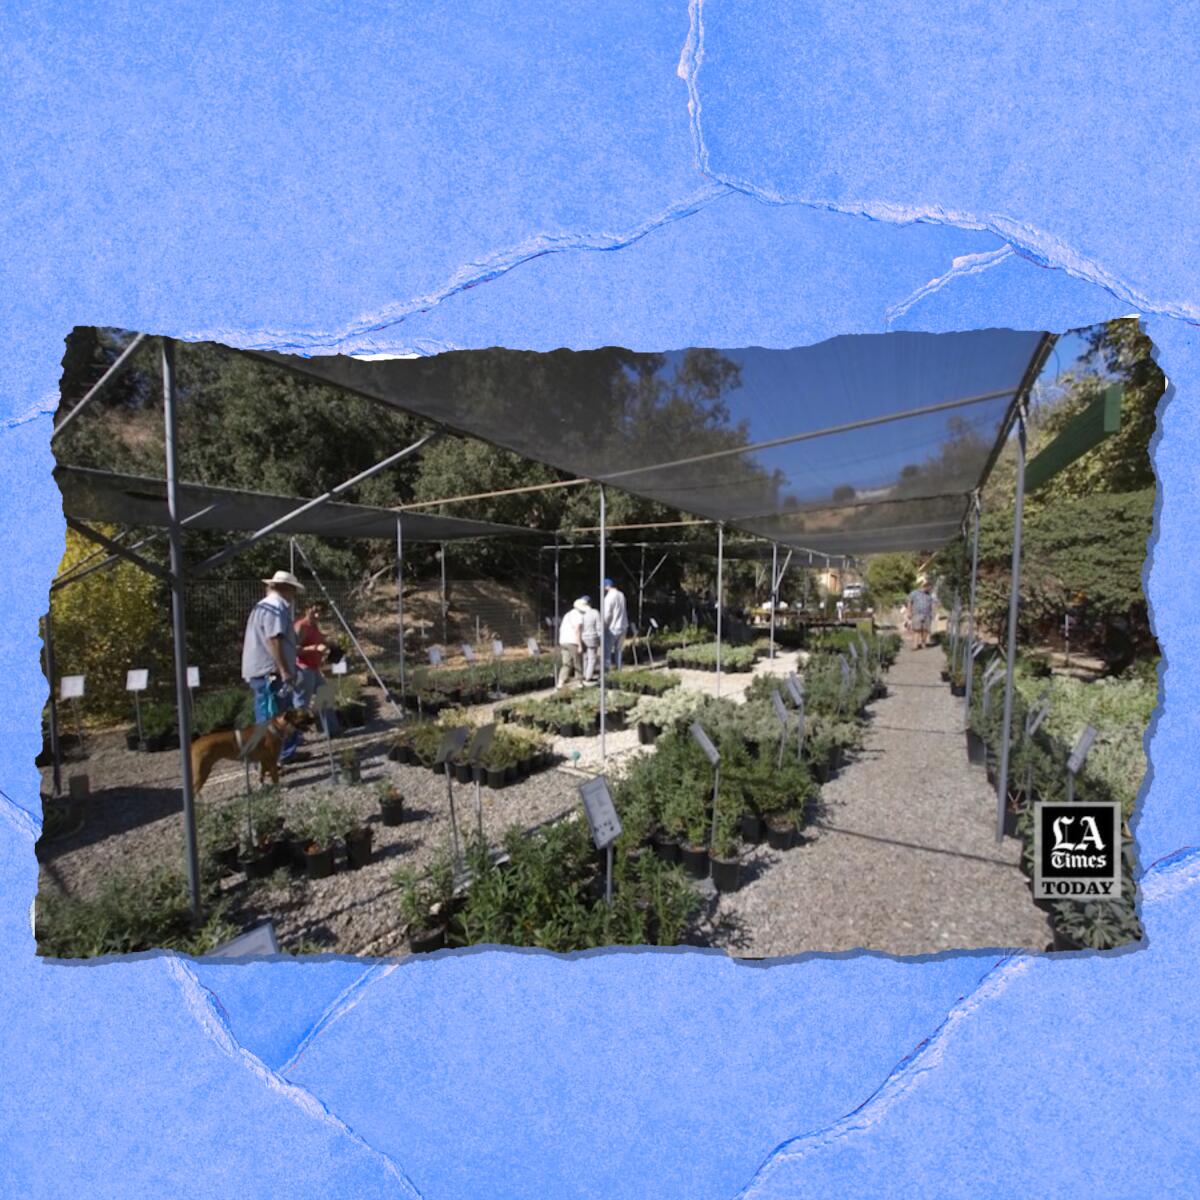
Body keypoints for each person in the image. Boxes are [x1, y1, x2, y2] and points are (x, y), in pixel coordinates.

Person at [242, 570, 305, 762]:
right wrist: (284, 669)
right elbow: (273, 640)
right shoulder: (274, 607)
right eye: (293, 591)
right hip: (270, 672)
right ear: (286, 588)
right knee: (270, 716)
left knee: (280, 713)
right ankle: (266, 759)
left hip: (267, 671)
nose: (294, 597)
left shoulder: (266, 606)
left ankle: (282, 754)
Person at [294, 602, 339, 736]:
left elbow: (320, 642)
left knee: (325, 695)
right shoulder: (301, 626)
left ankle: (332, 730)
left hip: (314, 668)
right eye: (314, 611)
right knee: (301, 703)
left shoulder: (314, 626)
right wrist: (315, 648)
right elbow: (295, 650)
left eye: (321, 613)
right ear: (307, 609)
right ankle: (296, 737)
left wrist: (331, 645)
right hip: (303, 669)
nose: (317, 615)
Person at [557, 598, 586, 688]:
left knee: (566, 663)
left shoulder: (568, 614)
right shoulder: (579, 615)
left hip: (563, 641)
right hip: (573, 641)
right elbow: (577, 630)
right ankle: (579, 682)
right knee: (578, 661)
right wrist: (580, 645)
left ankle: (560, 682)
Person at [602, 577, 628, 670]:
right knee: (619, 650)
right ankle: (619, 670)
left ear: (606, 587)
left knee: (607, 652)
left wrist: (604, 626)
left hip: (612, 627)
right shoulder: (621, 594)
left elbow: (607, 614)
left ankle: (606, 672)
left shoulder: (608, 597)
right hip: (623, 625)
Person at [907, 577, 935, 649]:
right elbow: (909, 602)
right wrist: (909, 612)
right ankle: (915, 645)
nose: (929, 588)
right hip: (917, 614)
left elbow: (932, 605)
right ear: (924, 586)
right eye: (928, 587)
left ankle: (923, 643)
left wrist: (933, 613)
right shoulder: (914, 593)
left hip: (927, 615)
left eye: (930, 587)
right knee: (917, 630)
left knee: (925, 630)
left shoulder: (930, 595)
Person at [580, 595, 604, 681]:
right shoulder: (595, 612)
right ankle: (588, 676)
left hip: (582, 637)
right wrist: (601, 638)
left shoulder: (580, 613)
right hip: (592, 637)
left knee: (585, 657)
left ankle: (583, 674)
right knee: (592, 658)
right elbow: (599, 627)